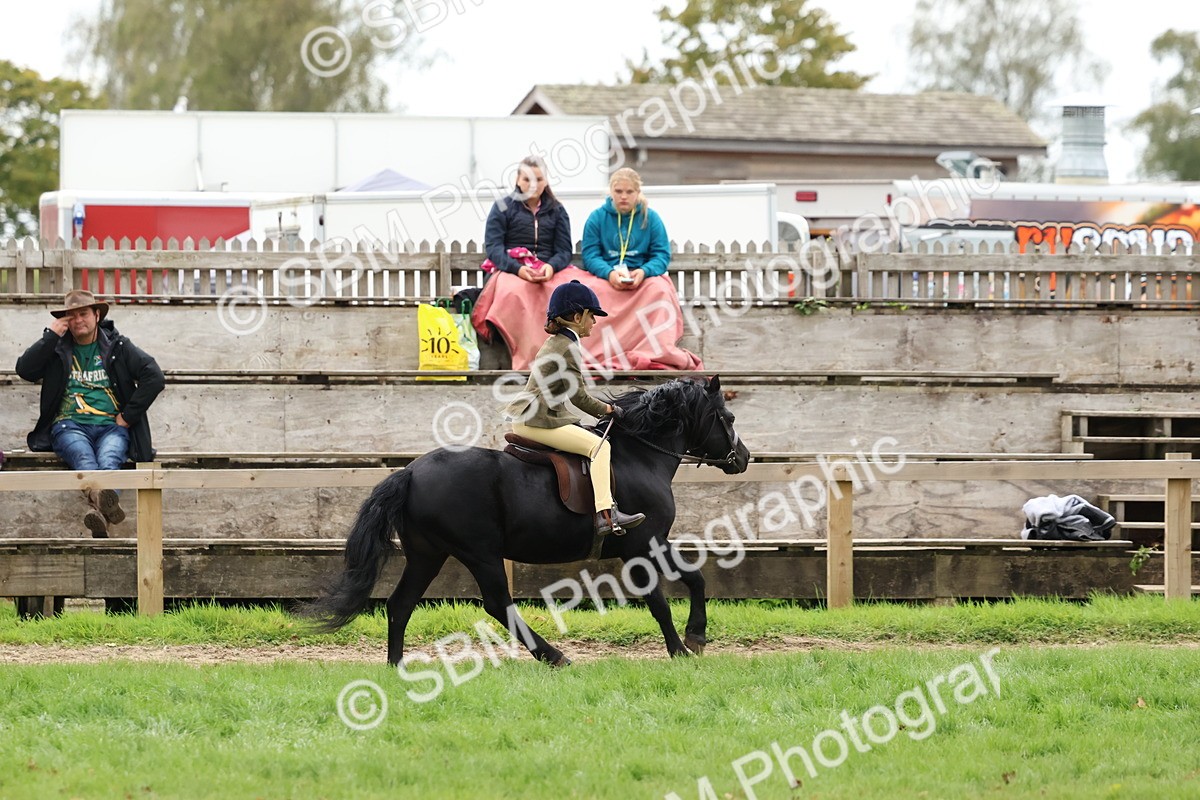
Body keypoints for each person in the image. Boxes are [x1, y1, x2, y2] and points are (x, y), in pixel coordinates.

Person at [16, 290, 165, 537]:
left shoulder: (118, 346)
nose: (77, 320)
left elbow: (155, 377)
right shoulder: (56, 348)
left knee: (109, 459)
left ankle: (98, 516)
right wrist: (50, 335)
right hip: (69, 425)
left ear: (97, 315)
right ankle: (102, 503)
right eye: (71, 316)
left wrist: (126, 417)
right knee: (85, 460)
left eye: (83, 313)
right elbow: (25, 370)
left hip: (111, 426)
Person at [504, 281, 645, 536]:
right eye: (592, 316)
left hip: (536, 415)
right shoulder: (568, 346)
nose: (594, 322)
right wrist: (609, 410)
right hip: (539, 420)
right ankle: (606, 514)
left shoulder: (559, 341)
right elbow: (578, 397)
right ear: (577, 316)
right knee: (600, 446)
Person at [482, 156, 574, 281]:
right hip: (511, 271)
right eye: (527, 179)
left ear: (546, 181)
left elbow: (564, 251)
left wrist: (551, 267)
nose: (533, 185)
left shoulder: (557, 210)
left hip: (549, 271)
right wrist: (517, 269)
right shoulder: (501, 207)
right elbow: (494, 247)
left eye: (539, 179)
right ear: (518, 180)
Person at [581, 167, 671, 291]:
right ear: (611, 192)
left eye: (629, 192)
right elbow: (590, 255)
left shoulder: (651, 218)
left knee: (660, 290)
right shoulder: (596, 218)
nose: (623, 196)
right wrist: (609, 273)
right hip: (606, 276)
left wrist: (644, 271)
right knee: (593, 291)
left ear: (638, 192)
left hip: (642, 278)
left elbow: (661, 255)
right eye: (618, 191)